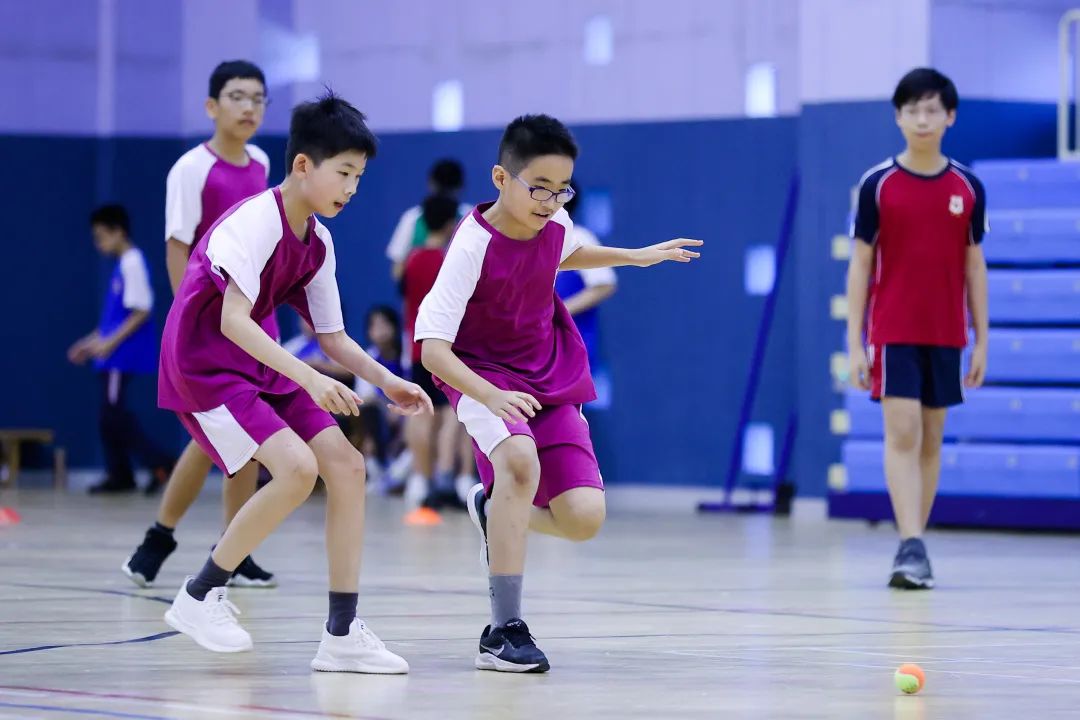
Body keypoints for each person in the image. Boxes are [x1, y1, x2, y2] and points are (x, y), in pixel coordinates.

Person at [415, 114, 701, 672]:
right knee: (519, 461)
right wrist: (489, 395)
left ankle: (492, 507)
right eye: (539, 188)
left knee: (583, 518)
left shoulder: (554, 222)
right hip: (480, 374)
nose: (550, 201)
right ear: (501, 178)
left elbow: (567, 251)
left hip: (548, 374)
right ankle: (503, 632)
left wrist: (637, 255)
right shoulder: (471, 246)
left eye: (562, 189)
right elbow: (432, 350)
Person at [159, 92, 433, 671]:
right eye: (344, 173)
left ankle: (342, 633)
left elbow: (333, 338)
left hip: (258, 364)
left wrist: (388, 380)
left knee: (347, 466)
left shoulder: (319, 241)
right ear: (303, 164)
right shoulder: (255, 221)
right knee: (296, 469)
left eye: (359, 177)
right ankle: (199, 595)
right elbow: (233, 321)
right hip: (205, 367)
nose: (351, 188)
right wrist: (310, 379)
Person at [122, 60, 277, 590]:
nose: (249, 107)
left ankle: (225, 549)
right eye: (238, 96)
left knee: (237, 435)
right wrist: (184, 320)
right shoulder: (190, 168)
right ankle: (167, 539)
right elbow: (178, 248)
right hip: (207, 325)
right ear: (212, 106)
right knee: (224, 434)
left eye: (258, 98)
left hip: (255, 320)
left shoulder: (262, 163)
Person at [846, 67, 988, 590]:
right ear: (898, 117)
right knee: (902, 431)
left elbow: (975, 265)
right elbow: (860, 264)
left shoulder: (967, 187)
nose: (922, 119)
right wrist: (855, 342)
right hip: (893, 329)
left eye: (932, 110)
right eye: (912, 110)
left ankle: (915, 543)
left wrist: (982, 339)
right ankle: (911, 544)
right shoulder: (877, 185)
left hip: (947, 332)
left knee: (931, 439)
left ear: (950, 117)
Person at [68, 205, 174, 494]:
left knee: (114, 416)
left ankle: (161, 463)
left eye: (101, 236)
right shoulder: (122, 266)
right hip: (112, 355)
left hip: (122, 356)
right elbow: (113, 320)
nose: (98, 244)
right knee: (108, 418)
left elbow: (141, 311)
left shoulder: (132, 262)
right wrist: (89, 343)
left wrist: (109, 344)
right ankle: (121, 475)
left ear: (119, 232)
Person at [401, 194, 472, 511]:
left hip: (417, 348)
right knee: (452, 415)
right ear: (449, 224)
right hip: (447, 348)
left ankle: (420, 478)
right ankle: (445, 477)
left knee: (421, 413)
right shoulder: (449, 262)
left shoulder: (411, 260)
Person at [554, 187, 617, 408]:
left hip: (569, 345)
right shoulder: (527, 239)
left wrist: (559, 310)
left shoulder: (579, 238)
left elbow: (605, 284)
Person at [386, 159, 471, 281]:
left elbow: (397, 271)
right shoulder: (473, 217)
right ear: (461, 186)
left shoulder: (411, 217)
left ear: (431, 183)